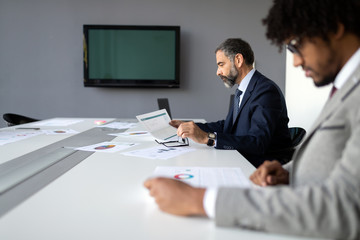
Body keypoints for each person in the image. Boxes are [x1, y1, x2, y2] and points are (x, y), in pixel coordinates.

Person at [144, 0, 360, 238]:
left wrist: (200, 199)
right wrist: (290, 173)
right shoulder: (345, 86)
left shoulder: (264, 90)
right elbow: (230, 126)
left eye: (296, 46)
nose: (296, 61)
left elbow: (344, 206)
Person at [170, 38, 291, 167]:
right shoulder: (243, 90)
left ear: (238, 60)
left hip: (259, 167)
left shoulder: (266, 91)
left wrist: (208, 138)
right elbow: (228, 126)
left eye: (221, 64)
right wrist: (190, 126)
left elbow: (257, 143)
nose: (218, 72)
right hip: (242, 159)